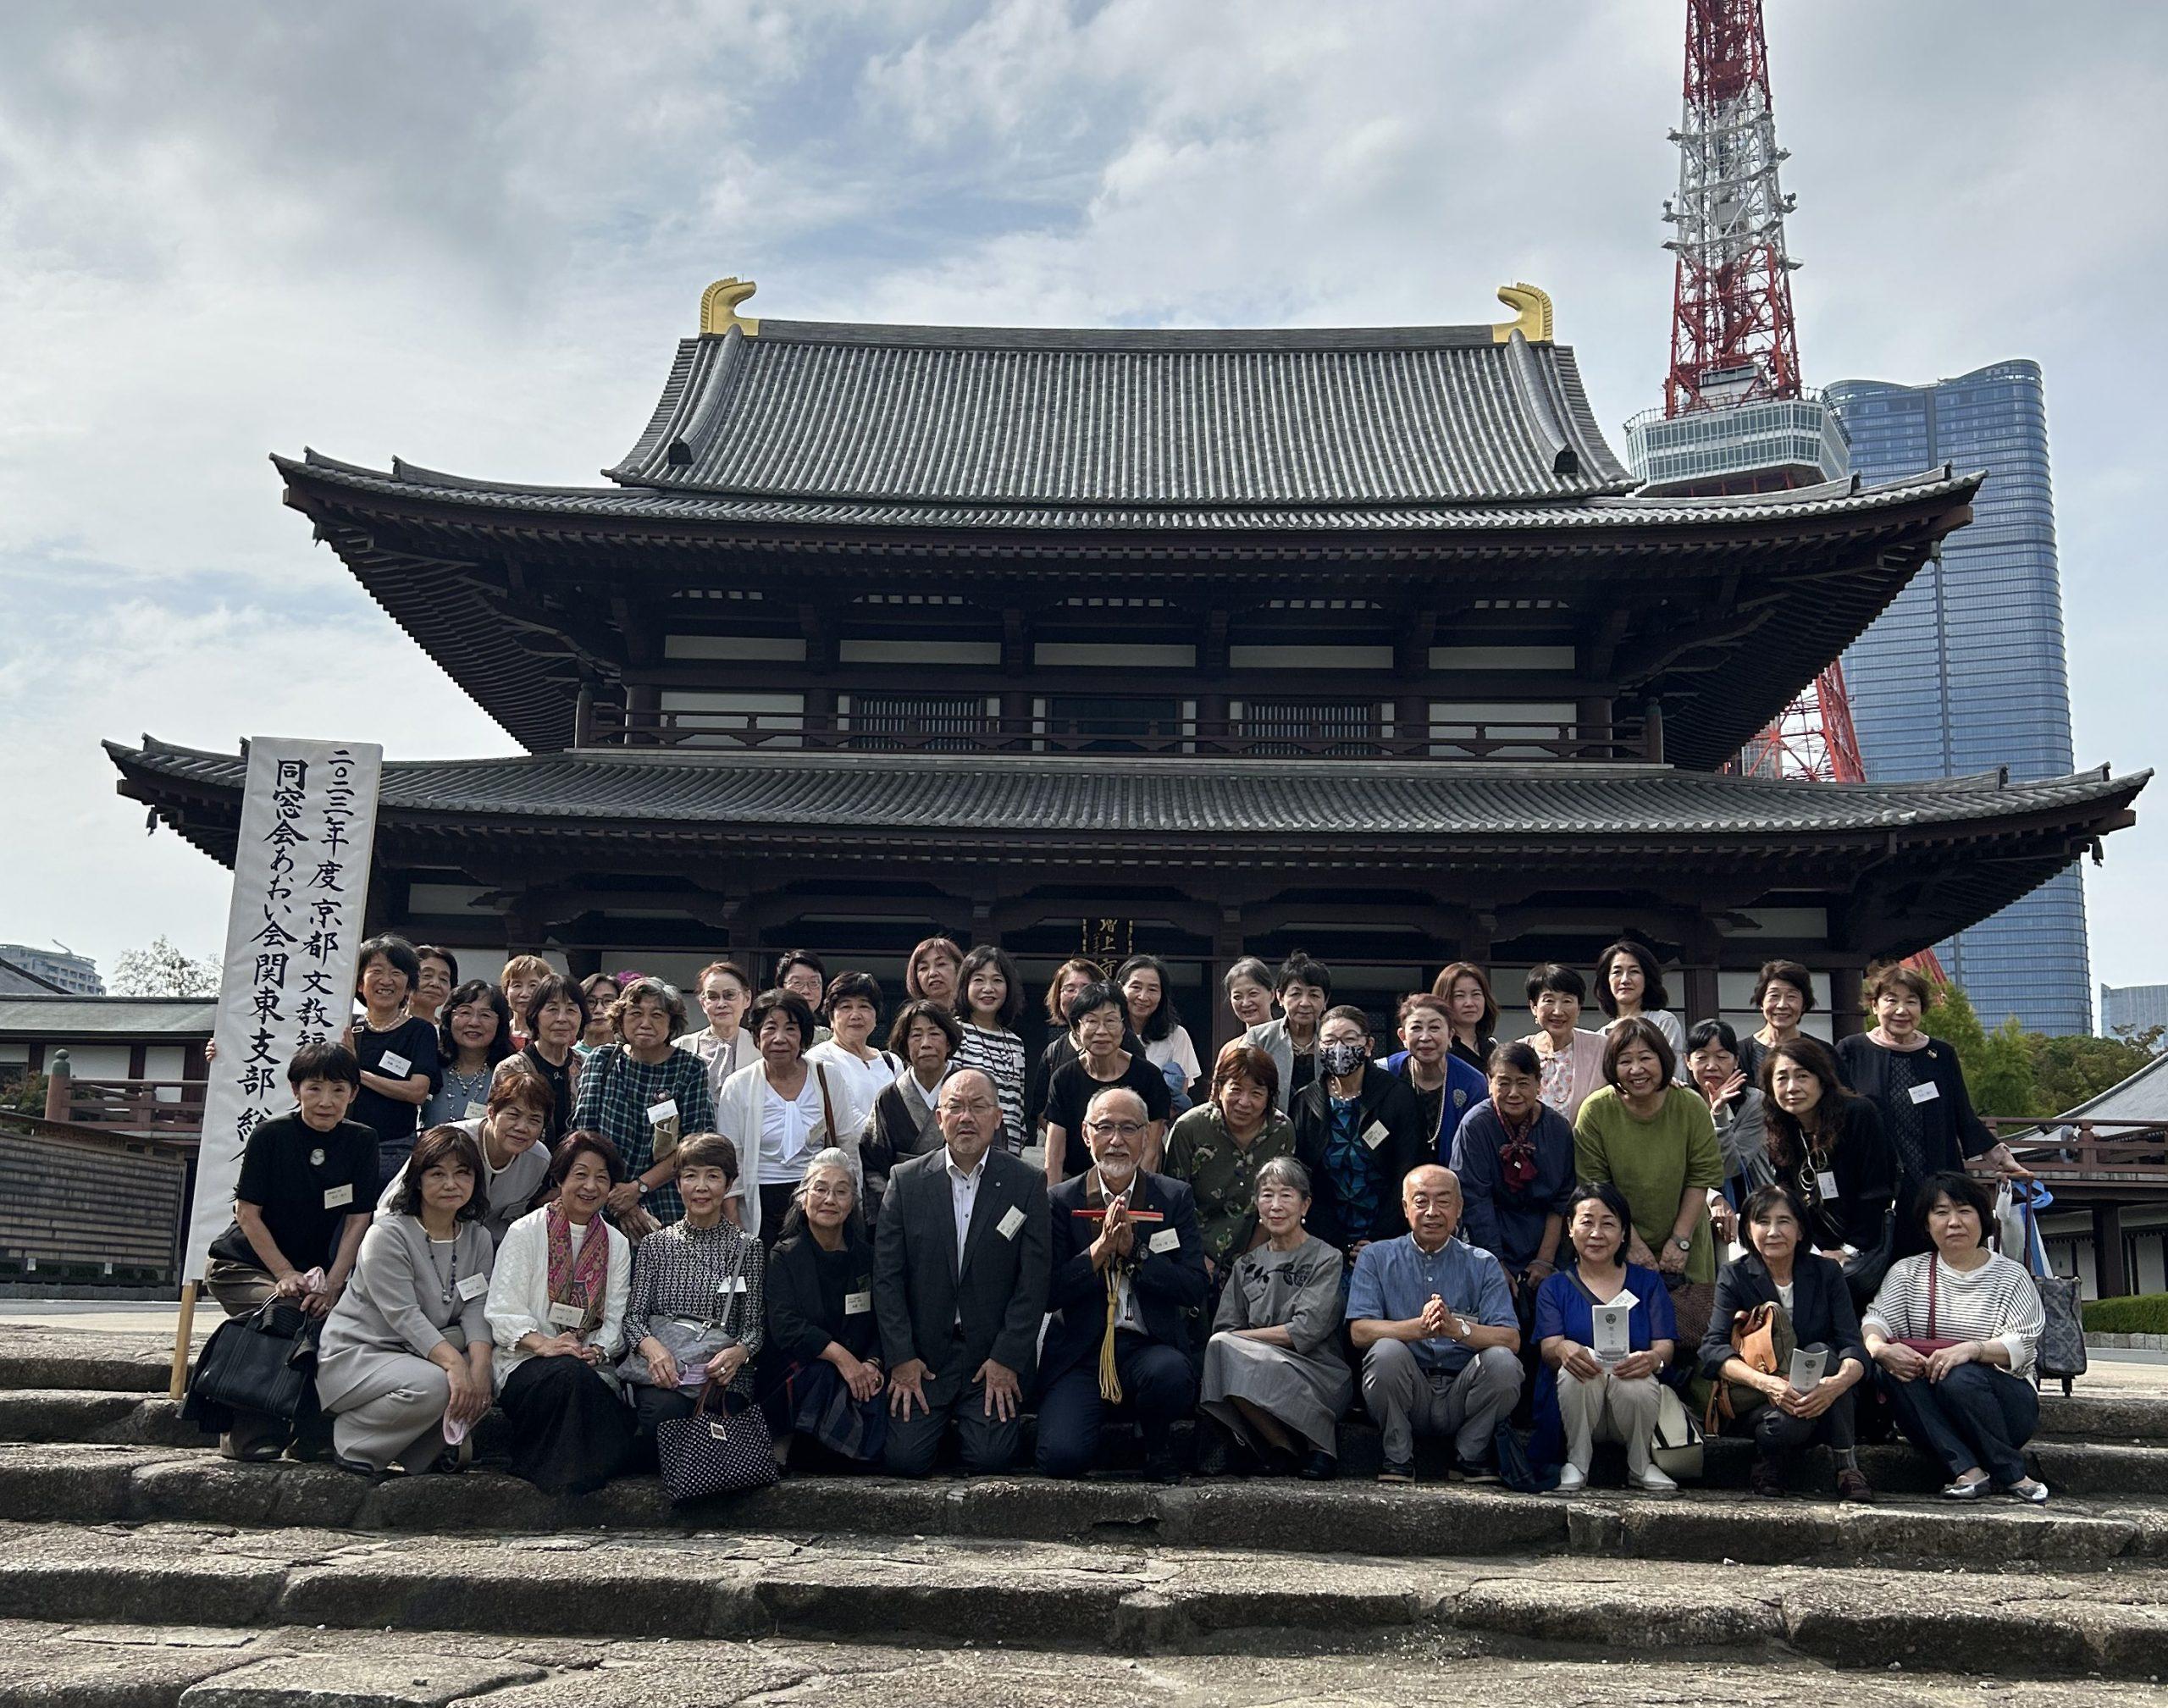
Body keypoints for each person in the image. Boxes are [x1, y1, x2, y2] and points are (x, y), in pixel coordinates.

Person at [201, 1042, 377, 1461]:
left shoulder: (361, 1141)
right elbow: (247, 1214)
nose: (326, 1101)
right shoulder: (271, 1135)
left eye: (338, 1090)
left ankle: (311, 1436)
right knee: (281, 1315)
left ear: (353, 1094)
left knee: (335, 1324)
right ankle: (242, 1432)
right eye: (314, 1089)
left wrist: (333, 1284)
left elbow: (358, 1220)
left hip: (314, 1274)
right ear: (295, 1089)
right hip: (242, 1265)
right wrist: (283, 1273)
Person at [875, 1069, 1051, 1477]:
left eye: (978, 1107)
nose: (966, 1117)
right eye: (955, 1107)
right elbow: (887, 1278)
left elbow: (1033, 1282)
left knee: (992, 1460)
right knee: (905, 1461)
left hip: (988, 1356)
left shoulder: (1026, 1182)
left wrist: (1006, 1358)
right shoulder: (906, 1181)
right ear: (940, 1118)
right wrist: (901, 1357)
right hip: (925, 1356)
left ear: (998, 1117)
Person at [1037, 1086, 1208, 1483]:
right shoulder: (1061, 1200)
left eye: (1129, 1128)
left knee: (1170, 1373)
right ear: (1085, 1134)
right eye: (1105, 1128)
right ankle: (1091, 1423)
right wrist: (1097, 1252)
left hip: (1147, 1346)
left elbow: (1193, 1285)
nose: (1116, 1140)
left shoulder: (1172, 1196)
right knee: (1060, 1459)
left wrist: (1138, 1255)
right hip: (1082, 1352)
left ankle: (1157, 1445)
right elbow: (1046, 1293)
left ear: (1147, 1135)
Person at [316, 1125, 495, 1477]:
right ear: (416, 1179)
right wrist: (458, 1367)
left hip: (425, 1351)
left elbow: (476, 1306)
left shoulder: (478, 1237)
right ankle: (356, 1439)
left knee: (486, 1372)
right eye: (437, 1173)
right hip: (363, 1352)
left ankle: (420, 1448)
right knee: (436, 1384)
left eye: (463, 1173)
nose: (451, 1184)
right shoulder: (387, 1235)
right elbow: (405, 1315)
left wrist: (479, 1366)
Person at [1864, 1170, 2049, 1503]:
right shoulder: (1908, 1272)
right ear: (1926, 1224)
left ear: (1983, 1218)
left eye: (1965, 1211)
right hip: (1935, 1415)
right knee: (1891, 1368)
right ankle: (1970, 1472)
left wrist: (1970, 1350)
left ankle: (2010, 1471)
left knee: (1959, 1376)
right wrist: (1878, 1348)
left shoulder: (2010, 1275)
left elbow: (2022, 1342)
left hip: (2006, 1409)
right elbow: (1877, 1319)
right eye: (1941, 1212)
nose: (1954, 1222)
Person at [1836, 964, 2029, 1258]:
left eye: (1911, 1001)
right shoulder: (1852, 1050)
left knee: (1943, 1265)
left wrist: (2001, 1158)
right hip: (1876, 1186)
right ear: (1874, 1005)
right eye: (1892, 1000)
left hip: (1935, 1178)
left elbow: (1962, 1114)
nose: (1902, 1010)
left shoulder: (1940, 1054)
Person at [1347, 1165, 1524, 1483]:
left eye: (1443, 1202)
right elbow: (1360, 1331)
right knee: (1385, 1351)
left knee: (1503, 1362)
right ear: (1404, 1208)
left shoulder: (1483, 1264)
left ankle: (1470, 1453)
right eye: (1421, 1201)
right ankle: (1397, 1456)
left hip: (1463, 1389)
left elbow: (1510, 1338)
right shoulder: (1375, 1257)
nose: (1432, 1212)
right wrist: (1416, 1329)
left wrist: (1459, 1330)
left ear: (1459, 1209)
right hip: (1408, 1388)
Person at [484, 1132, 636, 1495]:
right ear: (560, 1178)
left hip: (588, 1364)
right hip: (525, 1362)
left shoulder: (616, 1243)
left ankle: (554, 1468)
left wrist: (596, 1350)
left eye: (602, 1178)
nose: (590, 1186)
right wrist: (544, 1344)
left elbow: (616, 1316)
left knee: (579, 1376)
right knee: (567, 1376)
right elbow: (502, 1309)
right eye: (580, 1174)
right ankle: (571, 1471)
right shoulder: (524, 1232)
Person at [1702, 1183, 1874, 1501]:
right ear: (1748, 1230)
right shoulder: (1734, 1275)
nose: (1773, 1231)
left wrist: (1835, 1386)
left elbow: (1852, 1343)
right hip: (1762, 1401)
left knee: (1822, 1352)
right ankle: (1770, 1459)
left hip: (1825, 1394)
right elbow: (1712, 1350)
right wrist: (1769, 1385)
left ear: (1799, 1230)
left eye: (1784, 1221)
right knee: (1784, 1426)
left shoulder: (1826, 1272)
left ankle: (1847, 1467)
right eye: (1762, 1221)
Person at [1573, 1018, 1725, 1350]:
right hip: (1618, 1238)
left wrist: (1680, 1241)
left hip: (1685, 1235)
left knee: (1694, 1335)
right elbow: (1596, 1186)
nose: (1636, 1069)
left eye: (1646, 1058)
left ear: (1663, 1059)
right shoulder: (1596, 1111)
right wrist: (1634, 1244)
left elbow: (1701, 1176)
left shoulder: (1689, 1105)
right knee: (1629, 1338)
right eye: (1625, 1060)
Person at [620, 1133, 766, 1473]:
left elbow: (754, 1328)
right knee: (663, 1413)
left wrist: (737, 1354)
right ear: (678, 1183)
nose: (701, 1187)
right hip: (667, 1373)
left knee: (721, 1416)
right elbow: (634, 1318)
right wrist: (653, 1349)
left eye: (713, 1176)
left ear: (729, 1183)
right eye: (691, 1176)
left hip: (721, 1378)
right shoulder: (656, 1245)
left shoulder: (748, 1248)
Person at [1199, 1157, 1352, 1479]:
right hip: (1257, 1368)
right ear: (1257, 1205)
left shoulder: (1326, 1258)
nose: (1276, 1205)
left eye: (1286, 1195)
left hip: (1317, 1371)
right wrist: (1235, 1341)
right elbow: (1225, 1329)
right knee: (1219, 1351)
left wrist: (1240, 1340)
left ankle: (1321, 1447)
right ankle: (1280, 1445)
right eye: (1267, 1195)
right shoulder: (1245, 1265)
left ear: (1305, 1205)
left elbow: (1305, 1331)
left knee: (1231, 1348)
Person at [1532, 1183, 1680, 1494]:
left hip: (1633, 1404)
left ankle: (1640, 1465)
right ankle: (1577, 1462)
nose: (1597, 1233)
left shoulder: (1648, 1283)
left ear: (1624, 1233)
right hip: (1580, 1406)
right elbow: (1548, 1347)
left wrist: (1652, 1359)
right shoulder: (1555, 1287)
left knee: (1637, 1382)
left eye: (1608, 1223)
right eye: (1586, 1222)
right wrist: (1563, 1348)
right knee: (1576, 1370)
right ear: (1570, 1228)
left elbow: (1664, 1344)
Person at [760, 1148, 886, 1468]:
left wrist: (871, 1363)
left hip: (858, 1371)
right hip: (802, 1369)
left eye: (841, 1191)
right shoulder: (784, 1256)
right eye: (820, 1189)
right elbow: (786, 1326)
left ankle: (826, 1449)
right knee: (822, 1377)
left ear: (853, 1203)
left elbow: (882, 1321)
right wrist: (842, 1358)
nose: (829, 1199)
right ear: (803, 1198)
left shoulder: (867, 1258)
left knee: (872, 1394)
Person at [570, 975, 716, 1237]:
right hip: (604, 1196)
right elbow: (585, 1134)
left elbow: (693, 1145)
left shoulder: (690, 1068)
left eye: (657, 1015)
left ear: (671, 1022)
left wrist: (637, 1189)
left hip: (666, 1199)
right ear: (621, 1019)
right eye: (635, 1013)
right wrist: (620, 1199)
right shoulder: (601, 1060)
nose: (645, 1023)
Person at [716, 990, 860, 1246]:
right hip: (759, 1201)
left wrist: (851, 1200)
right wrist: (734, 1222)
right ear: (757, 1036)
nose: (779, 1038)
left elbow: (847, 1144)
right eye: (770, 1028)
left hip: (817, 1200)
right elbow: (730, 1156)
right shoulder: (738, 1085)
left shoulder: (828, 1077)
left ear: (804, 1036)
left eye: (791, 1029)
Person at [1448, 1042, 1574, 1327]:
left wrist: (1545, 1259)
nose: (1514, 1093)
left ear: (1539, 1084)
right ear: (1489, 1082)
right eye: (1503, 1083)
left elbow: (1563, 1199)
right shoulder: (1476, 1125)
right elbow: (1475, 1200)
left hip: (1545, 1236)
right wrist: (1496, 1264)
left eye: (1523, 1083)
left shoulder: (1557, 1128)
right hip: (1490, 1237)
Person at [1291, 1005, 1429, 1265]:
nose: (1339, 1048)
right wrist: (1340, 1241)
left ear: (1368, 1045)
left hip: (1392, 1238)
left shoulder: (1396, 1095)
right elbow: (1303, 1174)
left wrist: (1380, 1236)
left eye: (1350, 1039)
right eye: (1329, 1041)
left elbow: (1408, 1168)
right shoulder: (1306, 1101)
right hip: (1325, 1242)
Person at [1762, 1037, 1898, 1299]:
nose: (1792, 1087)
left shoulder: (1858, 1113)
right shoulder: (1783, 1126)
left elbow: (1876, 1190)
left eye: (1802, 1076)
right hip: (1814, 1248)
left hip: (1863, 1246)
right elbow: (1788, 1196)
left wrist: (1850, 1249)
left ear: (1822, 1080)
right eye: (1781, 1078)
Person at [379, 1058, 554, 1245]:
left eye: (534, 1120)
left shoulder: (539, 1160)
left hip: (488, 1252)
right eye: (513, 1115)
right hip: (421, 1242)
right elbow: (391, 1206)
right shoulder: (450, 1141)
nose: (522, 1127)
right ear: (491, 1112)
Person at [1162, 1042, 1297, 1285]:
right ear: (1219, 1089)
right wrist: (1196, 1257)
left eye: (1256, 1093)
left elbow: (1277, 1202)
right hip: (1193, 1252)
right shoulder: (1189, 1128)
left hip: (1259, 1251)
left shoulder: (1281, 1130)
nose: (1244, 1102)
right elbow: (1173, 1202)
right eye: (1235, 1089)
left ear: (1269, 1097)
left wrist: (1250, 1260)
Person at [1043, 981, 1172, 1184]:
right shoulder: (1063, 1079)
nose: (1101, 1031)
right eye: (1091, 1021)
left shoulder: (1149, 1077)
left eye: (1111, 1021)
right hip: (1076, 1185)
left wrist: (1135, 1198)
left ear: (1123, 1028)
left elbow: (1150, 1152)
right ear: (1077, 1029)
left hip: (1134, 1185)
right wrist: (1052, 1206)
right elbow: (1054, 1155)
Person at [348, 935, 440, 1189]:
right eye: (376, 971)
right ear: (359, 984)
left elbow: (418, 1092)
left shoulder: (420, 1031)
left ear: (409, 985)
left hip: (393, 1149)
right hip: (342, 1143)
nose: (386, 981)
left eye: (396, 972)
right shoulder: (346, 1028)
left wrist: (357, 1073)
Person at [860, 999, 960, 1216]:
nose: (926, 1043)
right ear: (905, 1045)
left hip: (962, 1203)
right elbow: (872, 1164)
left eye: (934, 1034)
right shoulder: (889, 1098)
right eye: (916, 1035)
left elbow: (992, 1151)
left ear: (949, 1042)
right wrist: (894, 1206)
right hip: (903, 1208)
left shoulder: (970, 1089)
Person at [1380, 993, 1489, 1162]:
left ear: (1450, 1035)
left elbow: (1477, 1147)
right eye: (1416, 1028)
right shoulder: (1385, 1072)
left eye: (1435, 1028)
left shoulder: (1472, 1082)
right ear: (1403, 1037)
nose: (1425, 1037)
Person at [1685, 1019, 1770, 1218]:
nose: (1712, 1066)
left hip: (1752, 1209)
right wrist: (1713, 1197)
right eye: (1702, 1057)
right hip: (1694, 1209)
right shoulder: (1680, 1102)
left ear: (1736, 1061)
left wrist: (1719, 1114)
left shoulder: (1754, 1102)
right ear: (1688, 1061)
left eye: (1722, 1057)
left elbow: (1731, 1167)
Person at [954, 944, 1029, 1157]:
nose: (988, 988)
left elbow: (1018, 1105)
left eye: (997, 980)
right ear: (965, 985)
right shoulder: (955, 1034)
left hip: (1009, 1152)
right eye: (979, 980)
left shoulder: (1016, 1043)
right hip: (968, 1148)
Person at [1025, 958, 1109, 1139]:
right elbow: (1041, 1110)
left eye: (1086, 987)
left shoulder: (1121, 1041)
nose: (1078, 995)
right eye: (1069, 989)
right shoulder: (1053, 1051)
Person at [806, 971, 900, 1121]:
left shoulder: (891, 1062)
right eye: (846, 1007)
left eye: (864, 1006)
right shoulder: (819, 1059)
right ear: (831, 1018)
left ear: (876, 1017)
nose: (855, 1015)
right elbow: (845, 1117)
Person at [1242, 950, 1330, 1110]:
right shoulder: (1258, 1038)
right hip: (1271, 1129)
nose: (1304, 1003)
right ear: (1280, 997)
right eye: (1296, 994)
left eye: (1314, 995)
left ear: (1325, 1001)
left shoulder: (1334, 1040)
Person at [1118, 953, 1203, 1115]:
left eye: (1152, 989)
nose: (1143, 997)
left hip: (1156, 1130)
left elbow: (1177, 1099)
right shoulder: (1108, 1034)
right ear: (1121, 988)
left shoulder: (1177, 1035)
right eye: (1136, 987)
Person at [422, 980, 514, 1128]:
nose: (474, 1022)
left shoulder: (508, 1074)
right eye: (465, 1012)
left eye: (485, 1015)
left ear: (500, 1023)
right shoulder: (431, 1064)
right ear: (449, 1018)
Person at [1524, 964, 1606, 1125]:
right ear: (1534, 1007)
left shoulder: (1602, 1047)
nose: (1558, 1011)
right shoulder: (1521, 1050)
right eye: (1549, 1000)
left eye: (1567, 1001)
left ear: (1579, 1008)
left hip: (1584, 1147)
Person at [674, 960, 756, 1111]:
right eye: (713, 997)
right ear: (703, 1003)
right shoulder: (680, 1048)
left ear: (747, 999)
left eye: (729, 995)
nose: (721, 1004)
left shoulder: (760, 1048)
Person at [1593, 939, 1686, 1072]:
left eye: (1634, 971)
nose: (1625, 980)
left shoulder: (1663, 1021)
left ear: (1647, 978)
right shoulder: (1601, 1035)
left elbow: (1674, 1074)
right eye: (1617, 972)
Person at [518, 975, 587, 1141]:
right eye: (552, 1009)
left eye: (571, 1010)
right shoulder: (514, 1068)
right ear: (535, 1016)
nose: (562, 1019)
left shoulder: (587, 1065)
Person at [1737, 959, 1815, 1084]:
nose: (1782, 1005)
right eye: (1774, 996)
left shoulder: (1822, 1051)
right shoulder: (1739, 1053)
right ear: (1761, 1002)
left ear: (1804, 1005)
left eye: (1791, 997)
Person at [1430, 962, 1500, 1072]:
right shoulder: (1439, 1050)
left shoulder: (1491, 1047)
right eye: (1459, 996)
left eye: (1476, 994)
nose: (1469, 1003)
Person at [498, 954, 555, 1048]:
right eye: (517, 985)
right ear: (506, 992)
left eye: (533, 985)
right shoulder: (497, 1033)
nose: (524, 994)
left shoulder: (555, 1035)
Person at [903, 935, 964, 1014]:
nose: (932, 973)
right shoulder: (911, 1021)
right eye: (923, 968)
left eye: (941, 964)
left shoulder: (975, 1017)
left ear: (958, 969)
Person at [1223, 956, 1276, 1033]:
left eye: (1253, 994)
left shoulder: (1291, 1042)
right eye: (1237, 997)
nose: (1245, 1003)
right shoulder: (1232, 1045)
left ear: (1271, 994)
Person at [411, 947, 458, 1031]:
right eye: (427, 975)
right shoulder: (388, 1025)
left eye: (443, 979)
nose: (436, 984)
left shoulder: (448, 1035)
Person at [576, 973, 622, 1059]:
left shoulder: (628, 1058)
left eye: (608, 1001)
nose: (599, 1010)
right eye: (590, 1002)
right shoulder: (569, 1059)